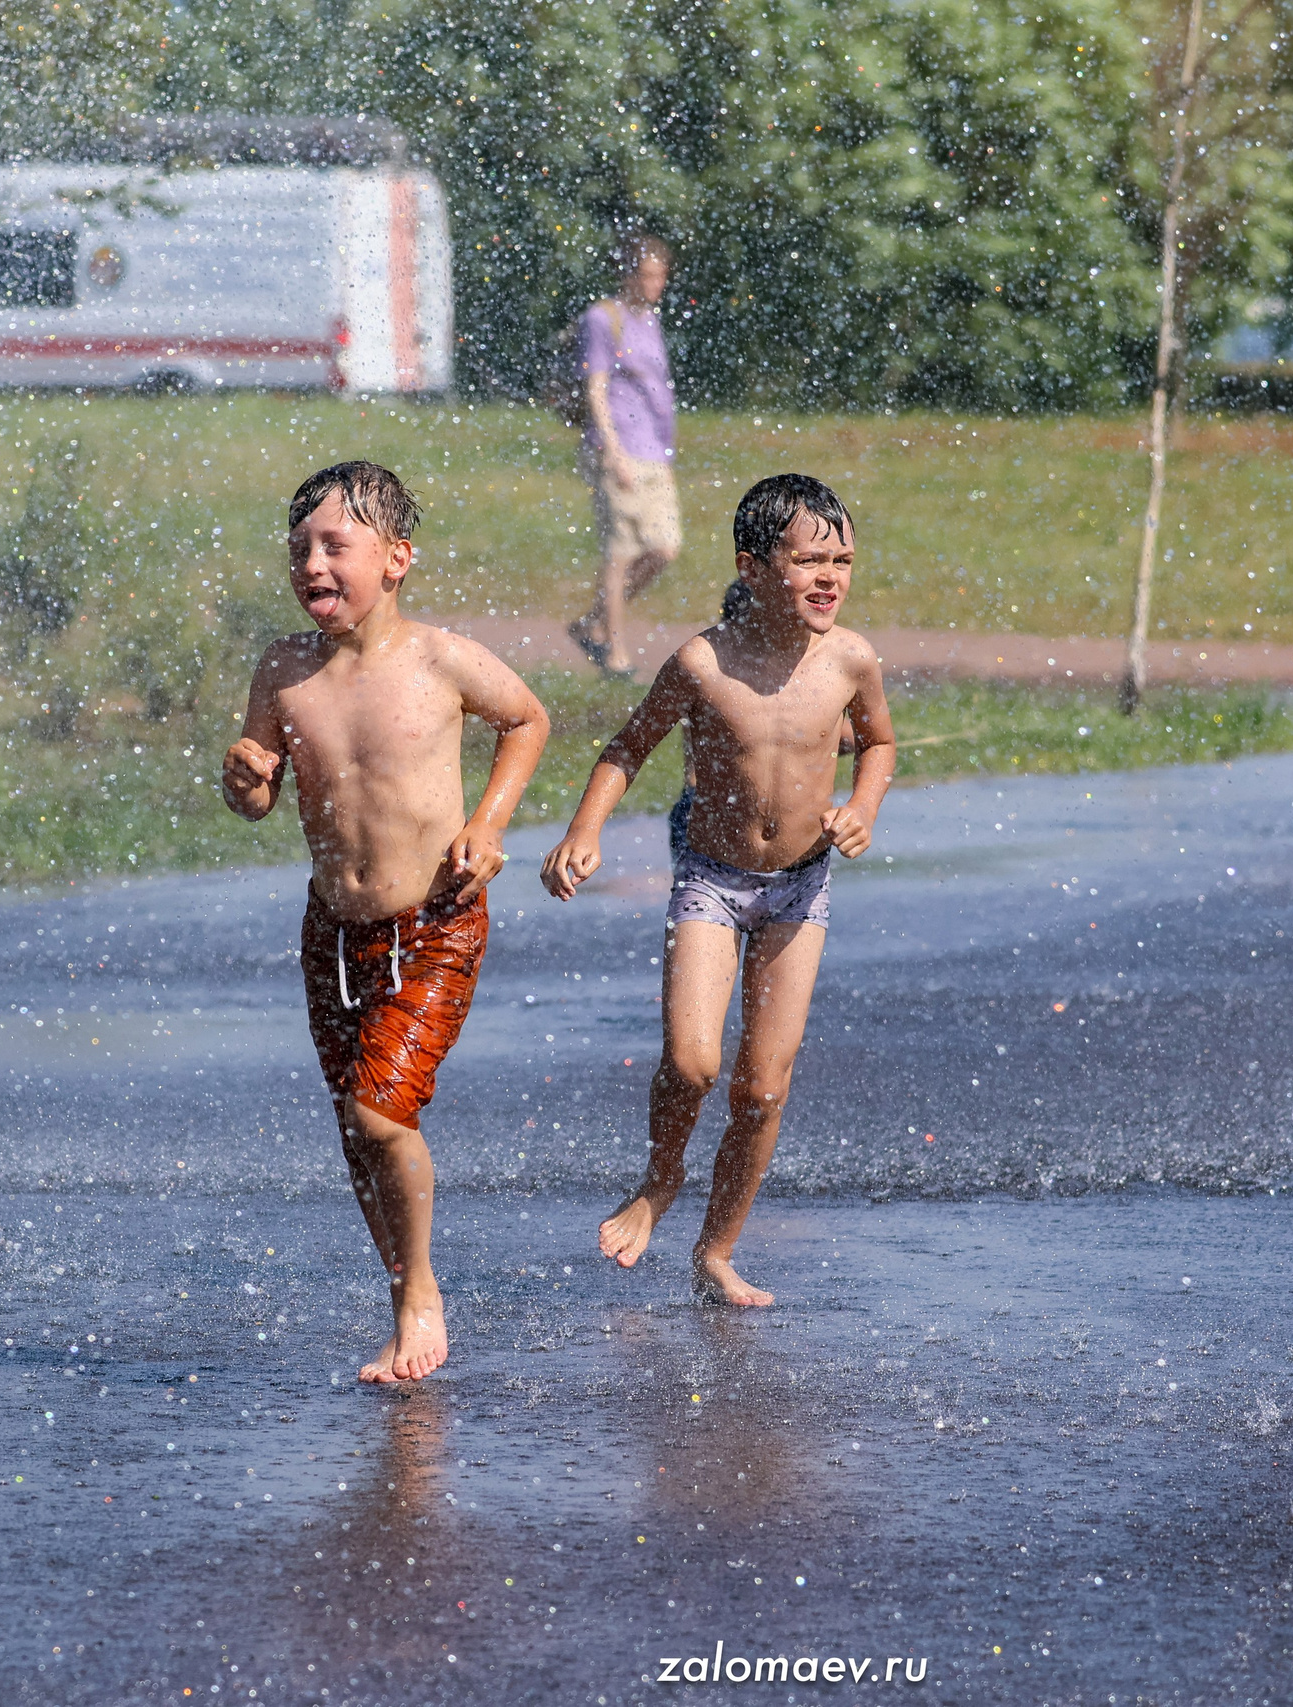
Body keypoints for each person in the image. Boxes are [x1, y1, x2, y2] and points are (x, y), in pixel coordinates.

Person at [222, 460, 550, 1382]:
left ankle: (420, 1295)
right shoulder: (284, 670)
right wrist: (246, 779)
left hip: (433, 924)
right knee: (352, 1124)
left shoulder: (440, 661)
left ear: (397, 557)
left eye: (336, 545)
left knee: (378, 1113)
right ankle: (403, 1282)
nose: (313, 564)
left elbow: (526, 720)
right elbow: (256, 793)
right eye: (300, 549)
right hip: (331, 933)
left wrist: (487, 824)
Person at [542, 475, 896, 1307]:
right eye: (809, 559)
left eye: (842, 560)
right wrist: (584, 832)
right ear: (753, 564)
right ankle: (660, 1181)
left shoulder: (850, 658)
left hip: (800, 888)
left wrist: (864, 806)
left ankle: (718, 1249)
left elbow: (878, 742)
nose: (830, 577)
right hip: (711, 880)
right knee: (694, 1063)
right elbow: (627, 746)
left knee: (763, 1086)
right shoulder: (703, 662)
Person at [566, 234, 681, 679]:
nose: (656, 284)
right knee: (620, 552)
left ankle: (592, 621)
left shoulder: (649, 319)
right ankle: (615, 654)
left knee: (664, 548)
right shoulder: (602, 319)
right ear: (629, 274)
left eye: (661, 275)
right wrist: (613, 452)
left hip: (656, 451)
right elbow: (596, 387)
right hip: (619, 450)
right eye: (649, 275)